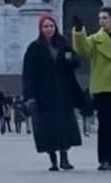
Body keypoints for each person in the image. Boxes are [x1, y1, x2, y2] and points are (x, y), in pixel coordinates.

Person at [22, 14, 85, 171]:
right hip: (44, 94)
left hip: (63, 92)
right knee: (48, 127)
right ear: (41, 29)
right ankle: (53, 160)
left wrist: (71, 59)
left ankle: (65, 158)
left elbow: (76, 64)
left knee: (64, 125)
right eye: (46, 26)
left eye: (51, 26)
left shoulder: (63, 45)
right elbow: (28, 74)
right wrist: (30, 96)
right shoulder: (34, 48)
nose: (49, 29)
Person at [71, 7, 111, 172]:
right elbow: (82, 50)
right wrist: (79, 31)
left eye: (105, 18)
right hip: (102, 86)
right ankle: (104, 159)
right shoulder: (96, 40)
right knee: (105, 124)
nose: (101, 21)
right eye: (100, 18)